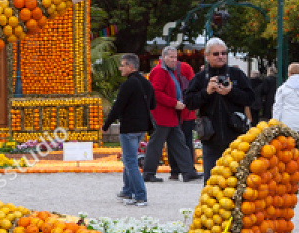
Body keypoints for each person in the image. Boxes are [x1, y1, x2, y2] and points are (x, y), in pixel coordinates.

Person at [183, 39, 255, 181]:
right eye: (216, 54)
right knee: (211, 182)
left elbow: (251, 98)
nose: (220, 56)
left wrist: (231, 92)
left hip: (236, 136)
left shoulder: (237, 74)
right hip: (211, 138)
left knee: (236, 181)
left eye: (223, 53)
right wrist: (207, 92)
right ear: (207, 56)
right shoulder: (200, 78)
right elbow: (189, 103)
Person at [102, 53, 154, 206]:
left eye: (123, 65)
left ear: (131, 67)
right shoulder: (146, 83)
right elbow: (153, 105)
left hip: (129, 127)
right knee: (128, 158)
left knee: (130, 161)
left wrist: (106, 125)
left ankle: (140, 195)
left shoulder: (128, 84)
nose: (120, 68)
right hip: (142, 127)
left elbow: (118, 107)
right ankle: (127, 190)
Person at [145, 46, 199, 182]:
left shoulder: (168, 71)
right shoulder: (159, 71)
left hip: (170, 115)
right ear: (163, 57)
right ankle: (148, 172)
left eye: (175, 57)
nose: (174, 60)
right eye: (171, 57)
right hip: (162, 115)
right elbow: (156, 94)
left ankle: (188, 171)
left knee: (179, 144)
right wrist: (174, 103)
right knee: (156, 144)